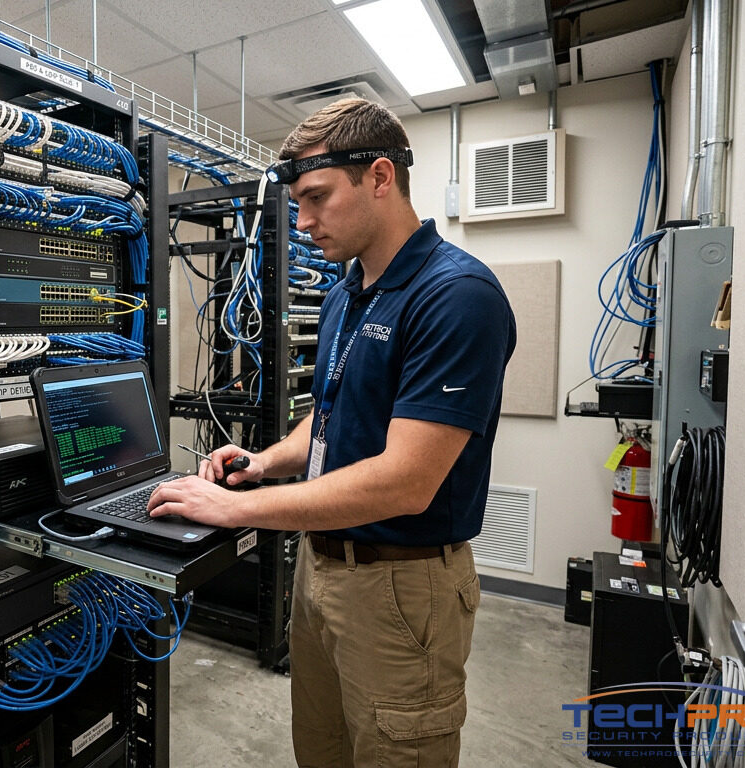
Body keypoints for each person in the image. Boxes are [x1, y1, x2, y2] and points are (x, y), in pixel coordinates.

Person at [147, 97, 516, 767]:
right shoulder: (350, 291)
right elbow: (331, 414)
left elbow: (406, 481)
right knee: (320, 751)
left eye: (316, 198)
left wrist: (236, 508)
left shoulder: (456, 296)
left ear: (380, 176)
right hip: (320, 571)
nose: (303, 221)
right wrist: (263, 463)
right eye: (296, 202)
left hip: (403, 591)